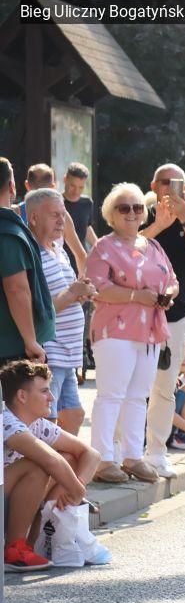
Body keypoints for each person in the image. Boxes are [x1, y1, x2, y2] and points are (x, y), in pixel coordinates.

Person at [86, 183, 179, 483]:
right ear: (111, 214)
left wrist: (168, 294)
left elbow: (172, 279)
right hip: (115, 330)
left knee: (139, 397)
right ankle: (102, 460)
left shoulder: (153, 246)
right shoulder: (104, 247)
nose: (132, 213)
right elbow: (97, 287)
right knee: (111, 395)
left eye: (137, 207)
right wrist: (137, 297)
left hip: (149, 330)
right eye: (124, 207)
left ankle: (133, 457)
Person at [139, 164, 185, 479]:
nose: (171, 188)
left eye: (177, 182)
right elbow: (127, 250)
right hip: (138, 315)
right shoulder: (139, 213)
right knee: (133, 386)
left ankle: (157, 453)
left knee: (165, 387)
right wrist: (158, 225)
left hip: (175, 317)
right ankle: (125, 452)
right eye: (166, 182)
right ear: (154, 185)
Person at [2, 360, 99, 571]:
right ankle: (13, 550)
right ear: (22, 396)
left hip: (7, 499)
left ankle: (36, 544)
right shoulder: (5, 419)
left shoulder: (37, 423)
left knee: (70, 459)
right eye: (45, 391)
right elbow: (49, 460)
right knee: (38, 466)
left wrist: (75, 486)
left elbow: (91, 454)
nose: (52, 398)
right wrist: (78, 491)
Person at [25, 188, 95, 434]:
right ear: (34, 218)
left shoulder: (58, 249)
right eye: (54, 215)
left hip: (68, 354)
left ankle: (61, 459)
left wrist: (80, 293)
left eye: (63, 215)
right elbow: (37, 311)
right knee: (48, 422)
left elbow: (65, 296)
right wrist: (72, 293)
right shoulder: (32, 255)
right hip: (51, 354)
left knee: (74, 415)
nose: (61, 220)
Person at [0, 158, 56, 366]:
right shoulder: (8, 232)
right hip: (10, 349)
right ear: (11, 186)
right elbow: (16, 289)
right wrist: (31, 341)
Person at [63, 162, 97, 381]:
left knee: (81, 314)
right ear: (65, 180)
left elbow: (87, 229)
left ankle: (79, 364)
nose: (76, 191)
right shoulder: (57, 202)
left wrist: (100, 247)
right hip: (61, 262)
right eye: (72, 186)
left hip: (81, 264)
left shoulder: (86, 203)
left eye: (80, 187)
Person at [20, 164, 87, 275]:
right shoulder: (64, 216)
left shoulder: (15, 213)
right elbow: (80, 254)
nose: (60, 220)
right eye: (54, 215)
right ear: (52, 186)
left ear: (27, 185)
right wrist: (83, 280)